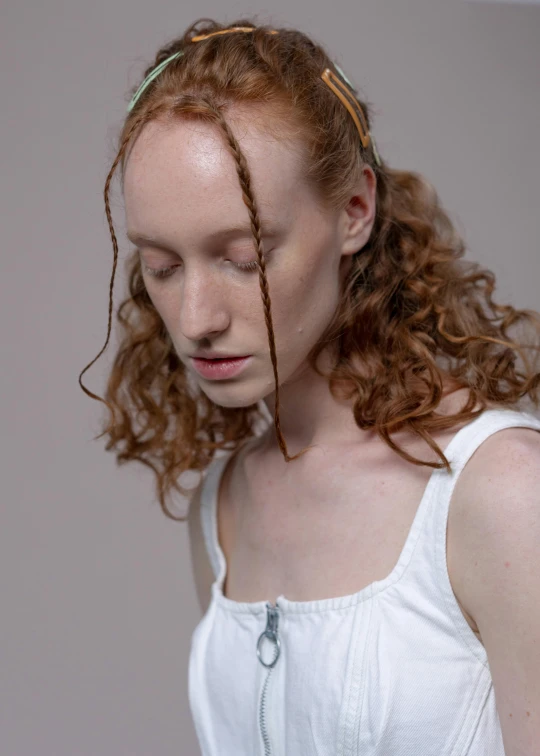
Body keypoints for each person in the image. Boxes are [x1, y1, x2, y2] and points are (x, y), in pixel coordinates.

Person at [79, 18, 540, 756]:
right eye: (162, 267)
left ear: (355, 210)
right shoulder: (225, 505)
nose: (195, 318)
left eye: (243, 256)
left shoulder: (503, 492)